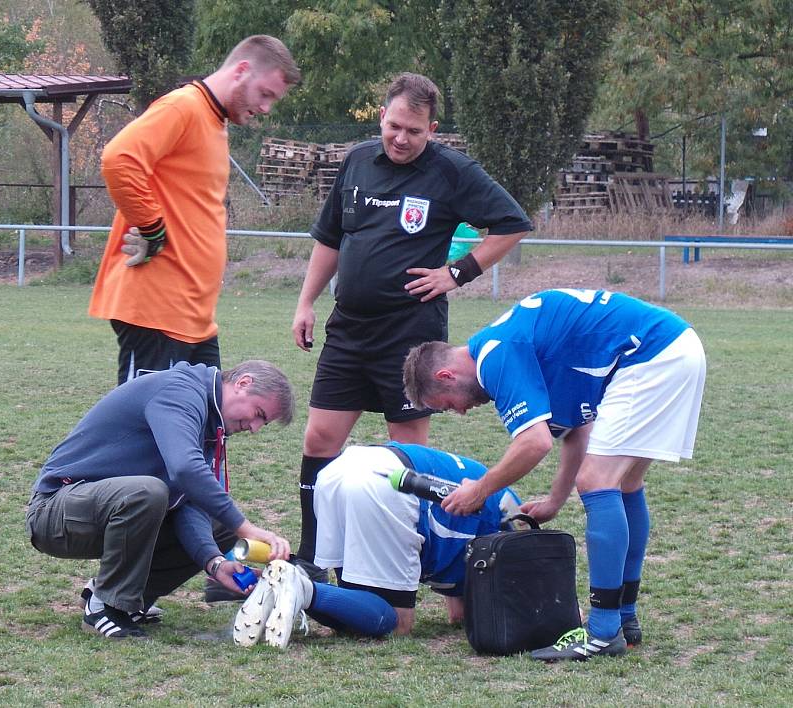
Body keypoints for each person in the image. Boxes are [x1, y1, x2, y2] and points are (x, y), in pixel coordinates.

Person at [290, 72, 533, 571]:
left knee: (405, 454)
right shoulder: (357, 160)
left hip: (409, 337)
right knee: (319, 441)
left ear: (432, 129)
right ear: (382, 115)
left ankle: (399, 561)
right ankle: (314, 556)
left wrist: (456, 273)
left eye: (414, 131)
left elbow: (513, 223)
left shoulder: (452, 172)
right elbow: (330, 238)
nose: (401, 138)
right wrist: (306, 301)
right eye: (395, 126)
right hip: (348, 329)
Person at [402, 288, 707, 661]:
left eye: (448, 405)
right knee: (626, 483)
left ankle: (602, 631)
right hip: (671, 347)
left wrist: (480, 490)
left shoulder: (495, 355)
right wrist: (555, 500)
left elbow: (535, 443)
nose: (461, 412)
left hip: (650, 355)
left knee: (597, 481)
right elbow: (577, 431)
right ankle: (624, 619)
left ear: (446, 375)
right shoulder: (512, 346)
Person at [25, 360, 295, 639]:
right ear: (243, 383)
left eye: (264, 422)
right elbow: (185, 468)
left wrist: (215, 563)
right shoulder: (180, 391)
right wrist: (246, 528)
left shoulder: (212, 423)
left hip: (103, 510)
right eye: (259, 414)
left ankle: (127, 597)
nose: (254, 428)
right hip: (55, 510)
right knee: (147, 492)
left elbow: (191, 502)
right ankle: (106, 606)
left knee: (217, 520)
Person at [89, 35, 300, 385]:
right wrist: (151, 228)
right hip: (158, 311)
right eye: (265, 94)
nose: (266, 108)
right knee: (144, 433)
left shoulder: (214, 120)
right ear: (242, 70)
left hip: (195, 319)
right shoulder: (184, 106)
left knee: (204, 428)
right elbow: (119, 158)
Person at [232, 443, 522, 649]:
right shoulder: (503, 529)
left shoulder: (497, 502)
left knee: (356, 612)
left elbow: (457, 609)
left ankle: (281, 584)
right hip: (391, 486)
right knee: (396, 623)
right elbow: (462, 615)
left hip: (342, 469)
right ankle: (301, 588)